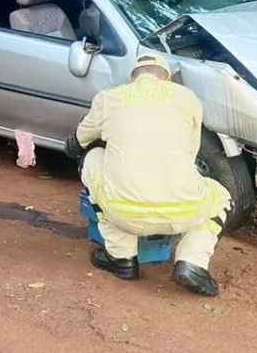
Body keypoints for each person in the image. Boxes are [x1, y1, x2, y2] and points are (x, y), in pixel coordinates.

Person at [66, 54, 232, 296]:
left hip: (123, 211)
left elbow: (80, 140)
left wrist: (76, 146)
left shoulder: (110, 98)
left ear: (132, 77)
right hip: (184, 209)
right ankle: (192, 261)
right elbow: (191, 150)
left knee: (93, 160)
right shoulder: (188, 98)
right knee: (221, 197)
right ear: (166, 77)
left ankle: (121, 257)